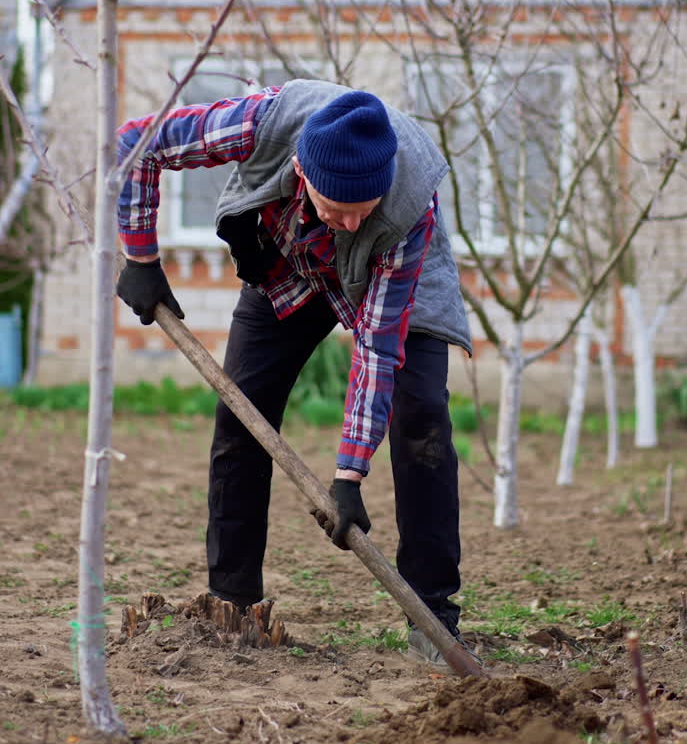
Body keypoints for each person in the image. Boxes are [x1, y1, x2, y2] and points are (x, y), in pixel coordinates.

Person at [116, 78, 473, 665]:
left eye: (365, 211)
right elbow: (140, 143)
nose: (353, 224)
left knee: (423, 420)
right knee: (242, 412)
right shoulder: (261, 123)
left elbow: (379, 350)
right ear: (304, 175)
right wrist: (142, 258)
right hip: (295, 261)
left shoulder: (407, 208)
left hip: (394, 273)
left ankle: (433, 618)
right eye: (341, 210)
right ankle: (233, 605)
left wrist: (348, 477)